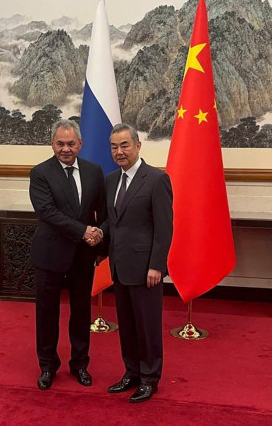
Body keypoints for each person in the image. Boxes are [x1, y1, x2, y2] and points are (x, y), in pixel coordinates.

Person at [28, 119, 106, 390]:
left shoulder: (95, 172)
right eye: (60, 143)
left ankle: (80, 364)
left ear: (80, 144)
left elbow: (103, 213)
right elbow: (47, 212)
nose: (65, 149)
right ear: (52, 144)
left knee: (81, 313)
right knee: (47, 314)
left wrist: (99, 240)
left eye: (71, 143)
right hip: (50, 255)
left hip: (83, 257)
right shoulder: (40, 173)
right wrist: (83, 230)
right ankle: (48, 366)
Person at [99, 123, 173, 403]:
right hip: (119, 267)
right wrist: (97, 236)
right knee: (127, 325)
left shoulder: (156, 179)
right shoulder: (110, 181)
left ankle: (150, 379)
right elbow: (114, 222)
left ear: (138, 146)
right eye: (114, 147)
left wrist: (157, 265)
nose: (119, 152)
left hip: (146, 270)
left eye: (124, 145)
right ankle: (131, 373)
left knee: (148, 326)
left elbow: (164, 228)